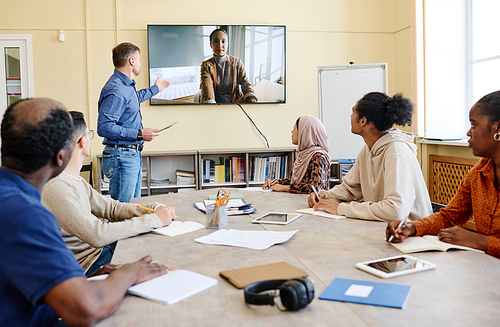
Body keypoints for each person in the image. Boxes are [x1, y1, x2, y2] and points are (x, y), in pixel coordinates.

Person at [0, 98, 169, 326]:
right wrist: (130, 273)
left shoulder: (11, 199)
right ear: (61, 156)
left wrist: (85, 280)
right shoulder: (24, 214)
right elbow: (88, 309)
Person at [42, 111, 176, 275]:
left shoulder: (75, 180)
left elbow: (111, 208)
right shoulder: (57, 187)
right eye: (89, 134)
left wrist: (154, 208)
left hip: (101, 252)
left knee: (157, 245)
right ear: (83, 142)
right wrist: (154, 220)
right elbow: (97, 234)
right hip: (91, 263)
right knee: (160, 256)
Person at [386, 91, 500, 259]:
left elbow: (479, 241)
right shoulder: (479, 172)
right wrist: (411, 227)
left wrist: (481, 242)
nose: (468, 133)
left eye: (474, 125)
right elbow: (450, 217)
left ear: (498, 129)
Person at [308, 92, 433, 221]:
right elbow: (350, 188)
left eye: (353, 112)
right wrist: (325, 196)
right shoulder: (368, 149)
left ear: (363, 121)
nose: (350, 116)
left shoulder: (396, 153)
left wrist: (340, 208)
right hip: (385, 228)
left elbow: (395, 210)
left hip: (412, 234)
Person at [97, 42, 170, 202]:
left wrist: (155, 89)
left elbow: (134, 99)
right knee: (124, 211)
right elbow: (104, 127)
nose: (140, 63)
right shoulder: (116, 89)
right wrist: (139, 134)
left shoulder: (125, 86)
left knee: (132, 208)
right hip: (122, 156)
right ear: (131, 61)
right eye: (139, 59)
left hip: (130, 154)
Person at [263, 115, 331, 193]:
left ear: (304, 132)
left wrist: (284, 188)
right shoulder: (303, 155)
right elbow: (298, 183)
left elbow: (316, 187)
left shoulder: (318, 157)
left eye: (294, 129)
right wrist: (277, 183)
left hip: (313, 204)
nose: (292, 132)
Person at [200, 28, 258, 104]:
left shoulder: (237, 62)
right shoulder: (206, 65)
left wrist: (251, 97)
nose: (220, 45)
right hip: (216, 103)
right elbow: (207, 88)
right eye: (216, 41)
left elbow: (245, 83)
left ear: (227, 44)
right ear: (210, 44)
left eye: (223, 41)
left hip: (235, 102)